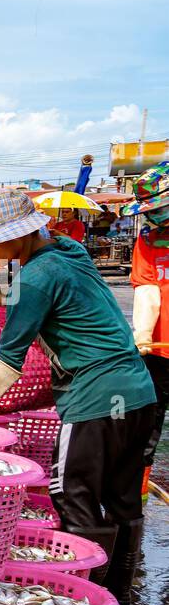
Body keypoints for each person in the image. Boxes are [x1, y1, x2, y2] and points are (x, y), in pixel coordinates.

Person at [0, 187, 156, 605]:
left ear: (18, 236)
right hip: (139, 394)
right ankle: (118, 599)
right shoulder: (68, 251)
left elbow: (6, 367)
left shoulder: (36, 276)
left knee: (72, 496)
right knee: (123, 499)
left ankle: (82, 601)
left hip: (94, 398)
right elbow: (54, 292)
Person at [124, 162, 169, 479]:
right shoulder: (149, 239)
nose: (155, 217)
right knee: (147, 422)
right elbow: (147, 292)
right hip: (158, 348)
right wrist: (141, 335)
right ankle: (133, 499)